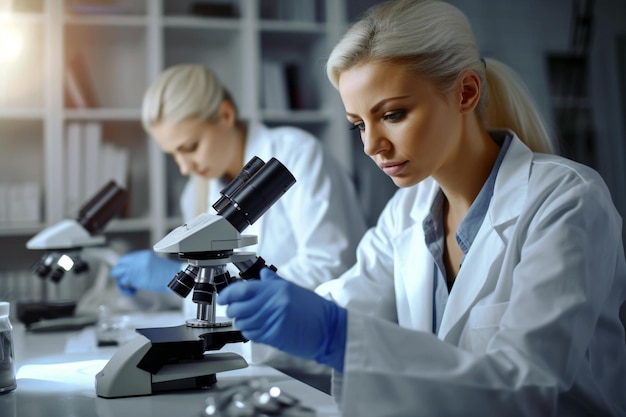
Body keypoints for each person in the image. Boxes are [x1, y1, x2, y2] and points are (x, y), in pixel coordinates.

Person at [216, 0, 626, 416]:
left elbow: (526, 387)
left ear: (466, 92)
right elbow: (344, 308)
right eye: (359, 124)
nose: (371, 145)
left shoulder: (566, 200)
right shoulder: (406, 211)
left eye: (392, 114)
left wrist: (337, 336)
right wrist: (257, 323)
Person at [110, 64, 368, 372]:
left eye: (190, 147)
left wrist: (243, 295)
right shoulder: (195, 190)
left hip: (313, 363)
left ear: (226, 115)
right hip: (246, 362)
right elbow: (200, 297)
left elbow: (330, 266)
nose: (183, 167)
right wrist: (167, 284)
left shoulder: (295, 154)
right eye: (173, 155)